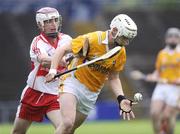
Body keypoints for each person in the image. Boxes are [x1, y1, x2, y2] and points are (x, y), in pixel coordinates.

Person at [46, 14, 138, 134]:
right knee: (67, 123)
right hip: (73, 82)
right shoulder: (93, 39)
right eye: (124, 38)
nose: (126, 42)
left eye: (128, 39)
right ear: (115, 31)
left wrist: (121, 98)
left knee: (70, 129)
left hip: (91, 93)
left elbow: (114, 77)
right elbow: (62, 50)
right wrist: (53, 70)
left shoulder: (121, 52)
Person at [11, 7, 72, 134]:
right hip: (34, 93)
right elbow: (43, 60)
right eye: (48, 21)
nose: (53, 24)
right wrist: (60, 60)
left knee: (65, 128)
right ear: (40, 24)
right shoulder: (37, 42)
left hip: (55, 95)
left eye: (55, 20)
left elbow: (78, 54)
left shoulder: (67, 39)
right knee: (18, 132)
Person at [145, 28, 180, 134]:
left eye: (176, 36)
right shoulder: (161, 54)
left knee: (167, 116)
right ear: (166, 39)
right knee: (154, 113)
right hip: (161, 86)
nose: (173, 39)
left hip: (176, 88)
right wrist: (153, 76)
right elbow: (158, 71)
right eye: (170, 36)